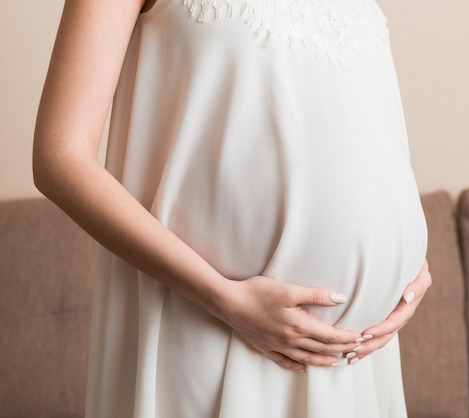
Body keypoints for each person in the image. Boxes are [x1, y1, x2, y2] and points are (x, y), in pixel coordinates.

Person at [33, 0, 431, 417]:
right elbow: (59, 157)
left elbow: (355, 120)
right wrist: (225, 299)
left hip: (360, 357)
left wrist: (403, 258)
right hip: (214, 325)